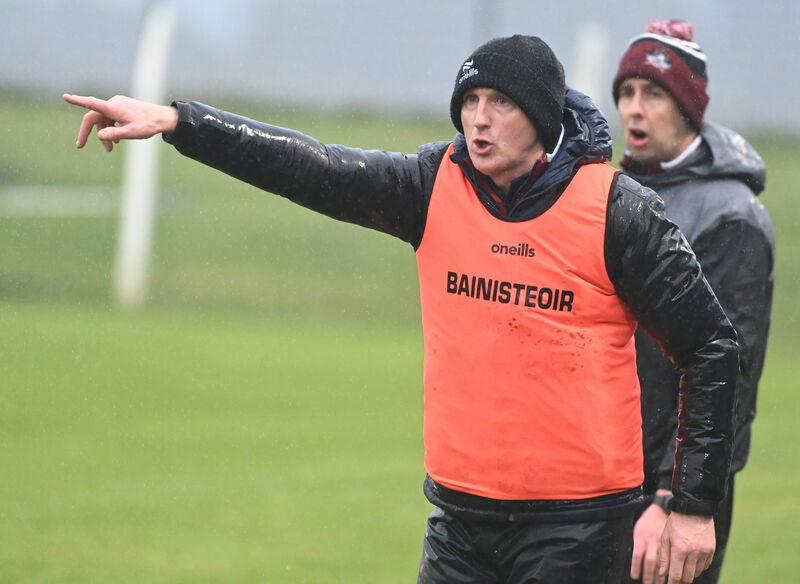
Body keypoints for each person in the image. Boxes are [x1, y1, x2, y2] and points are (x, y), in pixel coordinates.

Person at [65, 34, 739, 584]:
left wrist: (691, 507)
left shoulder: (618, 211)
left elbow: (711, 349)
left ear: (542, 117)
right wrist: (182, 123)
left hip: (580, 530)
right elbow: (317, 169)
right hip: (459, 525)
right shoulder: (431, 187)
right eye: (469, 100)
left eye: (499, 101)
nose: (478, 118)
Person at [612, 19, 775, 584]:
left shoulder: (731, 216)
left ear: (687, 105)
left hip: (673, 496)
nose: (634, 109)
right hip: (604, 475)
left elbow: (731, 372)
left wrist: (675, 498)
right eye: (627, 93)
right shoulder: (618, 195)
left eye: (653, 93)